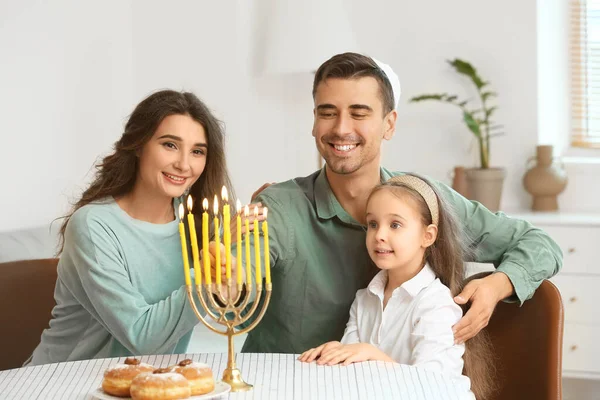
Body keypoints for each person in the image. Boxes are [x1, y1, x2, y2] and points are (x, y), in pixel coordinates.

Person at [232, 52, 562, 355]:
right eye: (327, 113)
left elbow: (539, 243)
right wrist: (228, 271)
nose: (341, 128)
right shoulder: (277, 207)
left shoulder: (425, 199)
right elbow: (234, 278)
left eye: (359, 114)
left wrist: (496, 285)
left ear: (389, 124)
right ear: (315, 121)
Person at [27, 89, 235, 365]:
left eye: (197, 151)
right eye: (169, 145)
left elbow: (232, 312)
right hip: (61, 384)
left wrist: (248, 243)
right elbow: (141, 337)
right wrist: (209, 278)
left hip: (150, 384)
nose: (184, 164)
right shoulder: (93, 226)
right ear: (138, 145)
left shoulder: (200, 223)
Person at [298, 174, 494, 400]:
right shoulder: (365, 299)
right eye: (373, 224)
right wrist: (333, 354)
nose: (379, 235)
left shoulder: (436, 304)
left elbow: (431, 389)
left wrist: (371, 354)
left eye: (395, 225)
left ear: (427, 236)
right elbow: (350, 375)